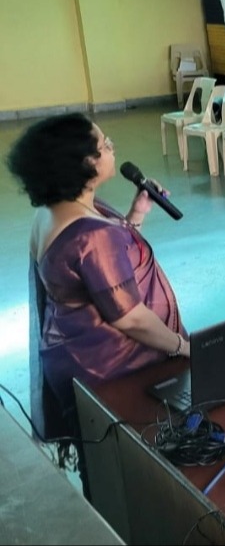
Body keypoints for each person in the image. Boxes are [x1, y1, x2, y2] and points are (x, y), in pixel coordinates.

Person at [8, 114, 188, 487]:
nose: (112, 148)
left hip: (70, 354)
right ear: (84, 163)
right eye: (104, 145)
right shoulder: (90, 235)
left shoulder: (55, 209)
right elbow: (131, 318)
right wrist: (182, 346)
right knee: (124, 467)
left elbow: (105, 271)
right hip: (109, 364)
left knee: (100, 461)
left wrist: (136, 215)